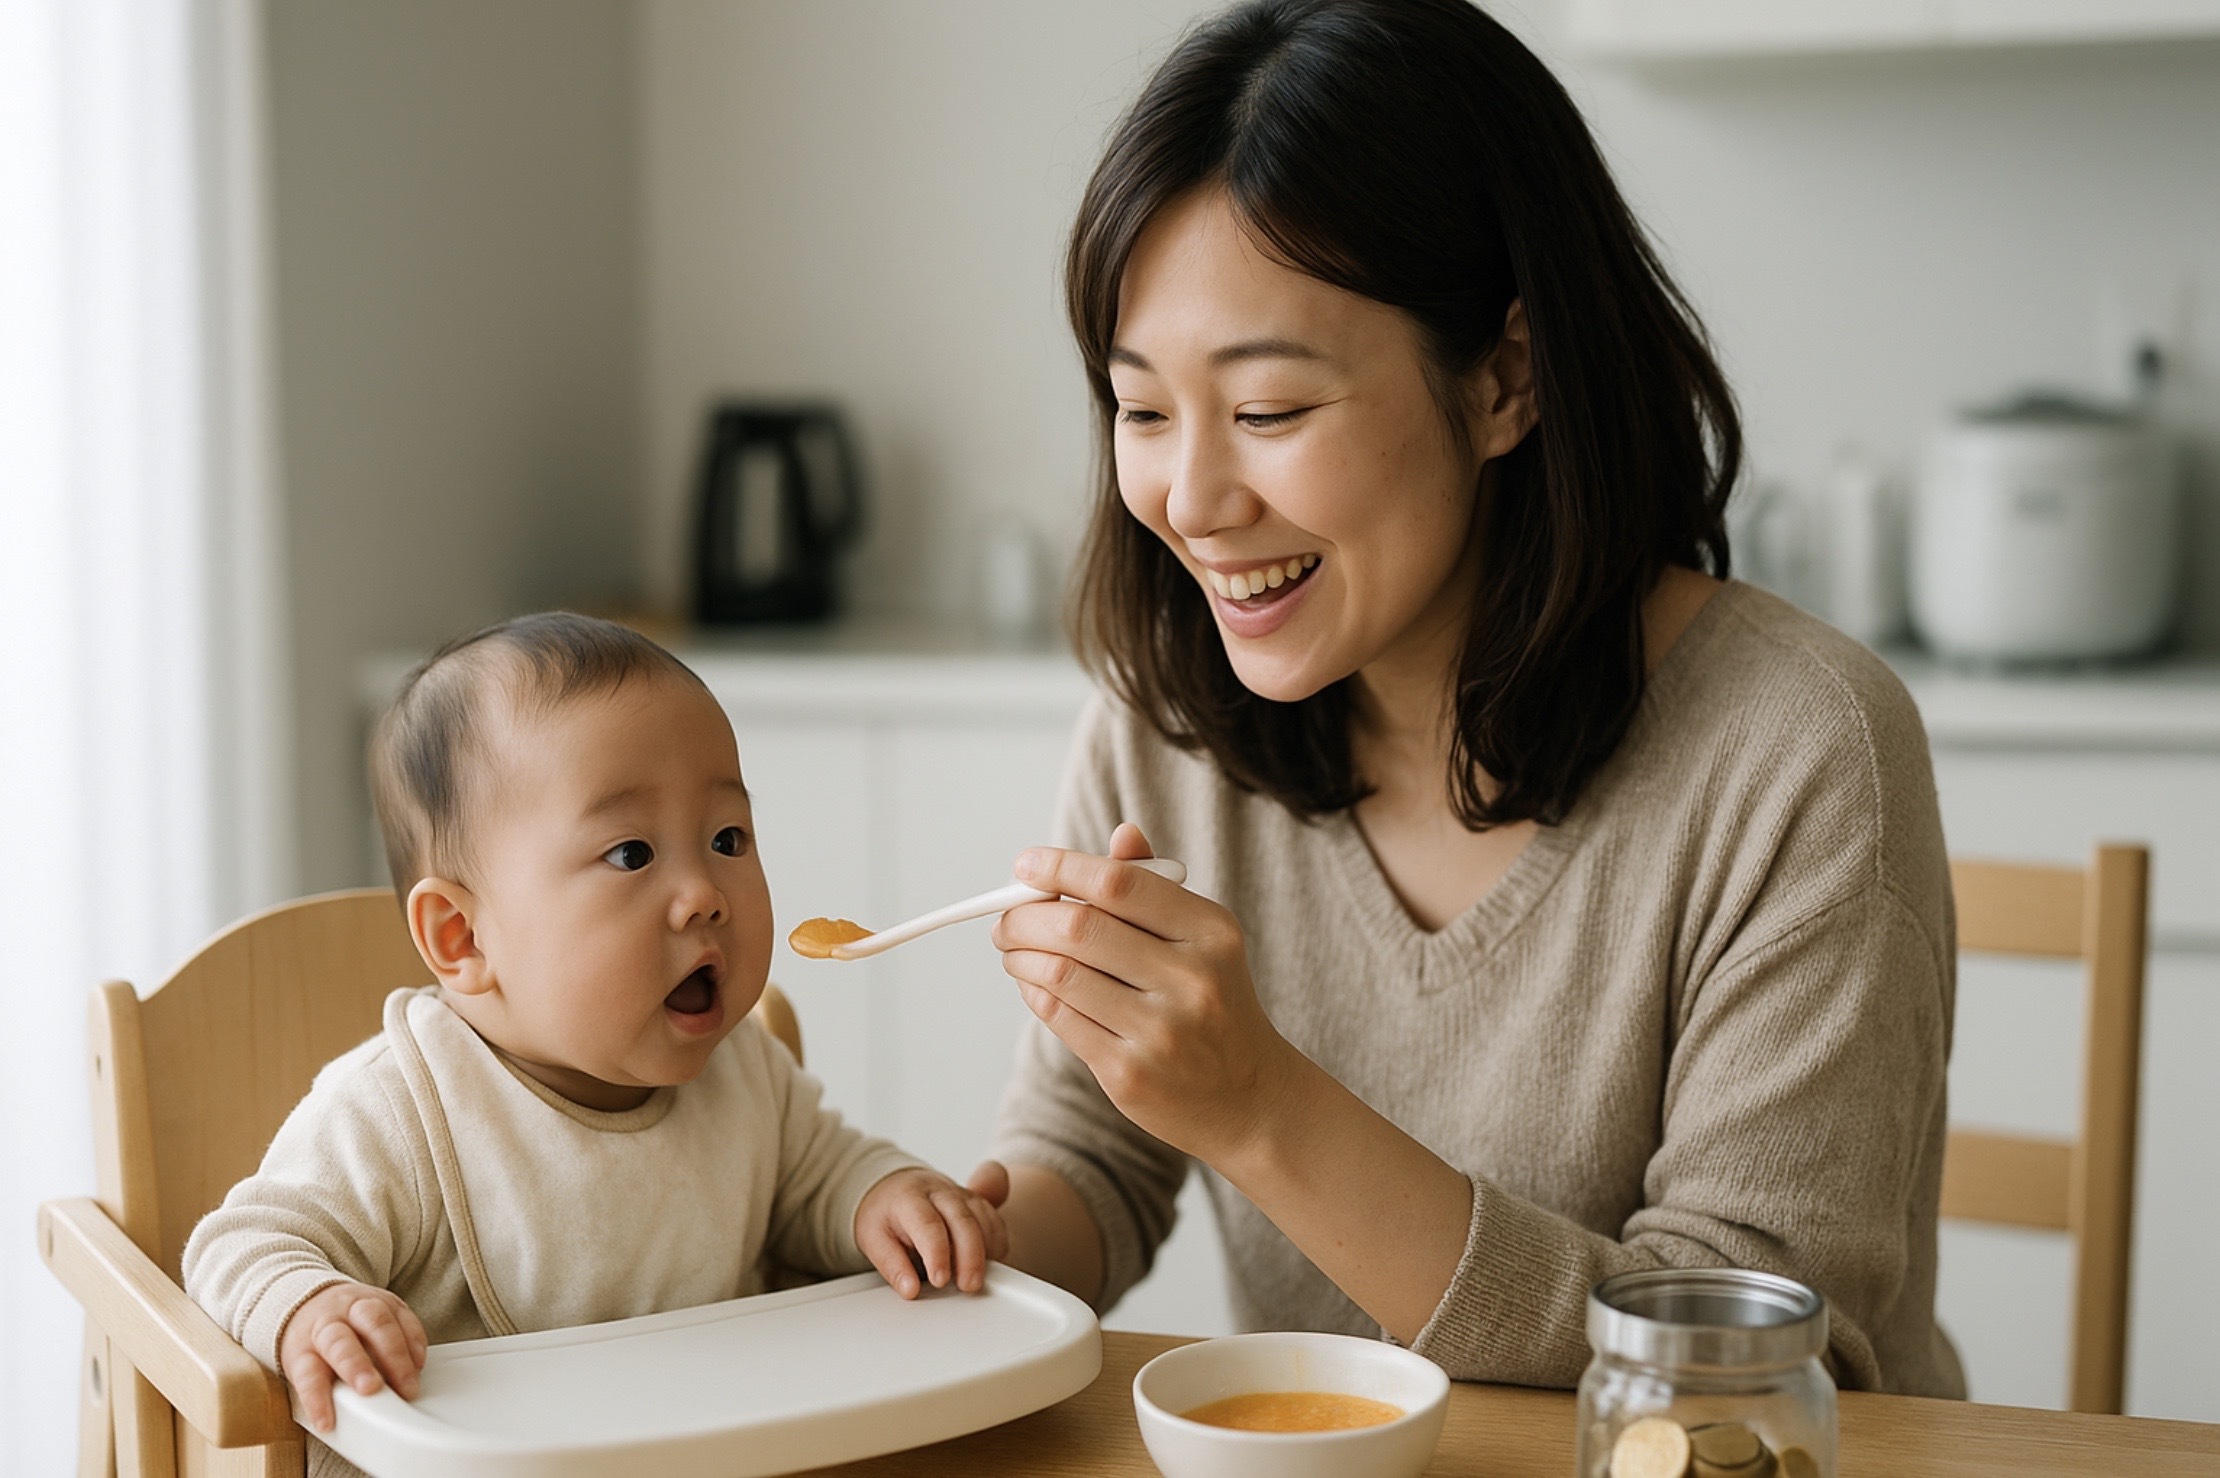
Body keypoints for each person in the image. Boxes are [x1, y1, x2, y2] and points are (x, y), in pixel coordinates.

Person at [968, 0, 1965, 1397]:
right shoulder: (1167, 726)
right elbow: (1093, 1156)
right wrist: (913, 1246)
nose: (1190, 500)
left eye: (1267, 411)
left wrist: (1264, 1108)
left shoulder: (1799, 750)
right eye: (1141, 410)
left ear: (1504, 380)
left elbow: (1742, 1361)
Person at [185, 613, 1007, 1469]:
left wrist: (890, 1198)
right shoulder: (403, 1107)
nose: (703, 895)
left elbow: (819, 1179)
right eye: (631, 853)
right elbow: (241, 1245)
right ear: (464, 938)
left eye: (728, 839)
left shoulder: (743, 1073)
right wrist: (311, 1307)